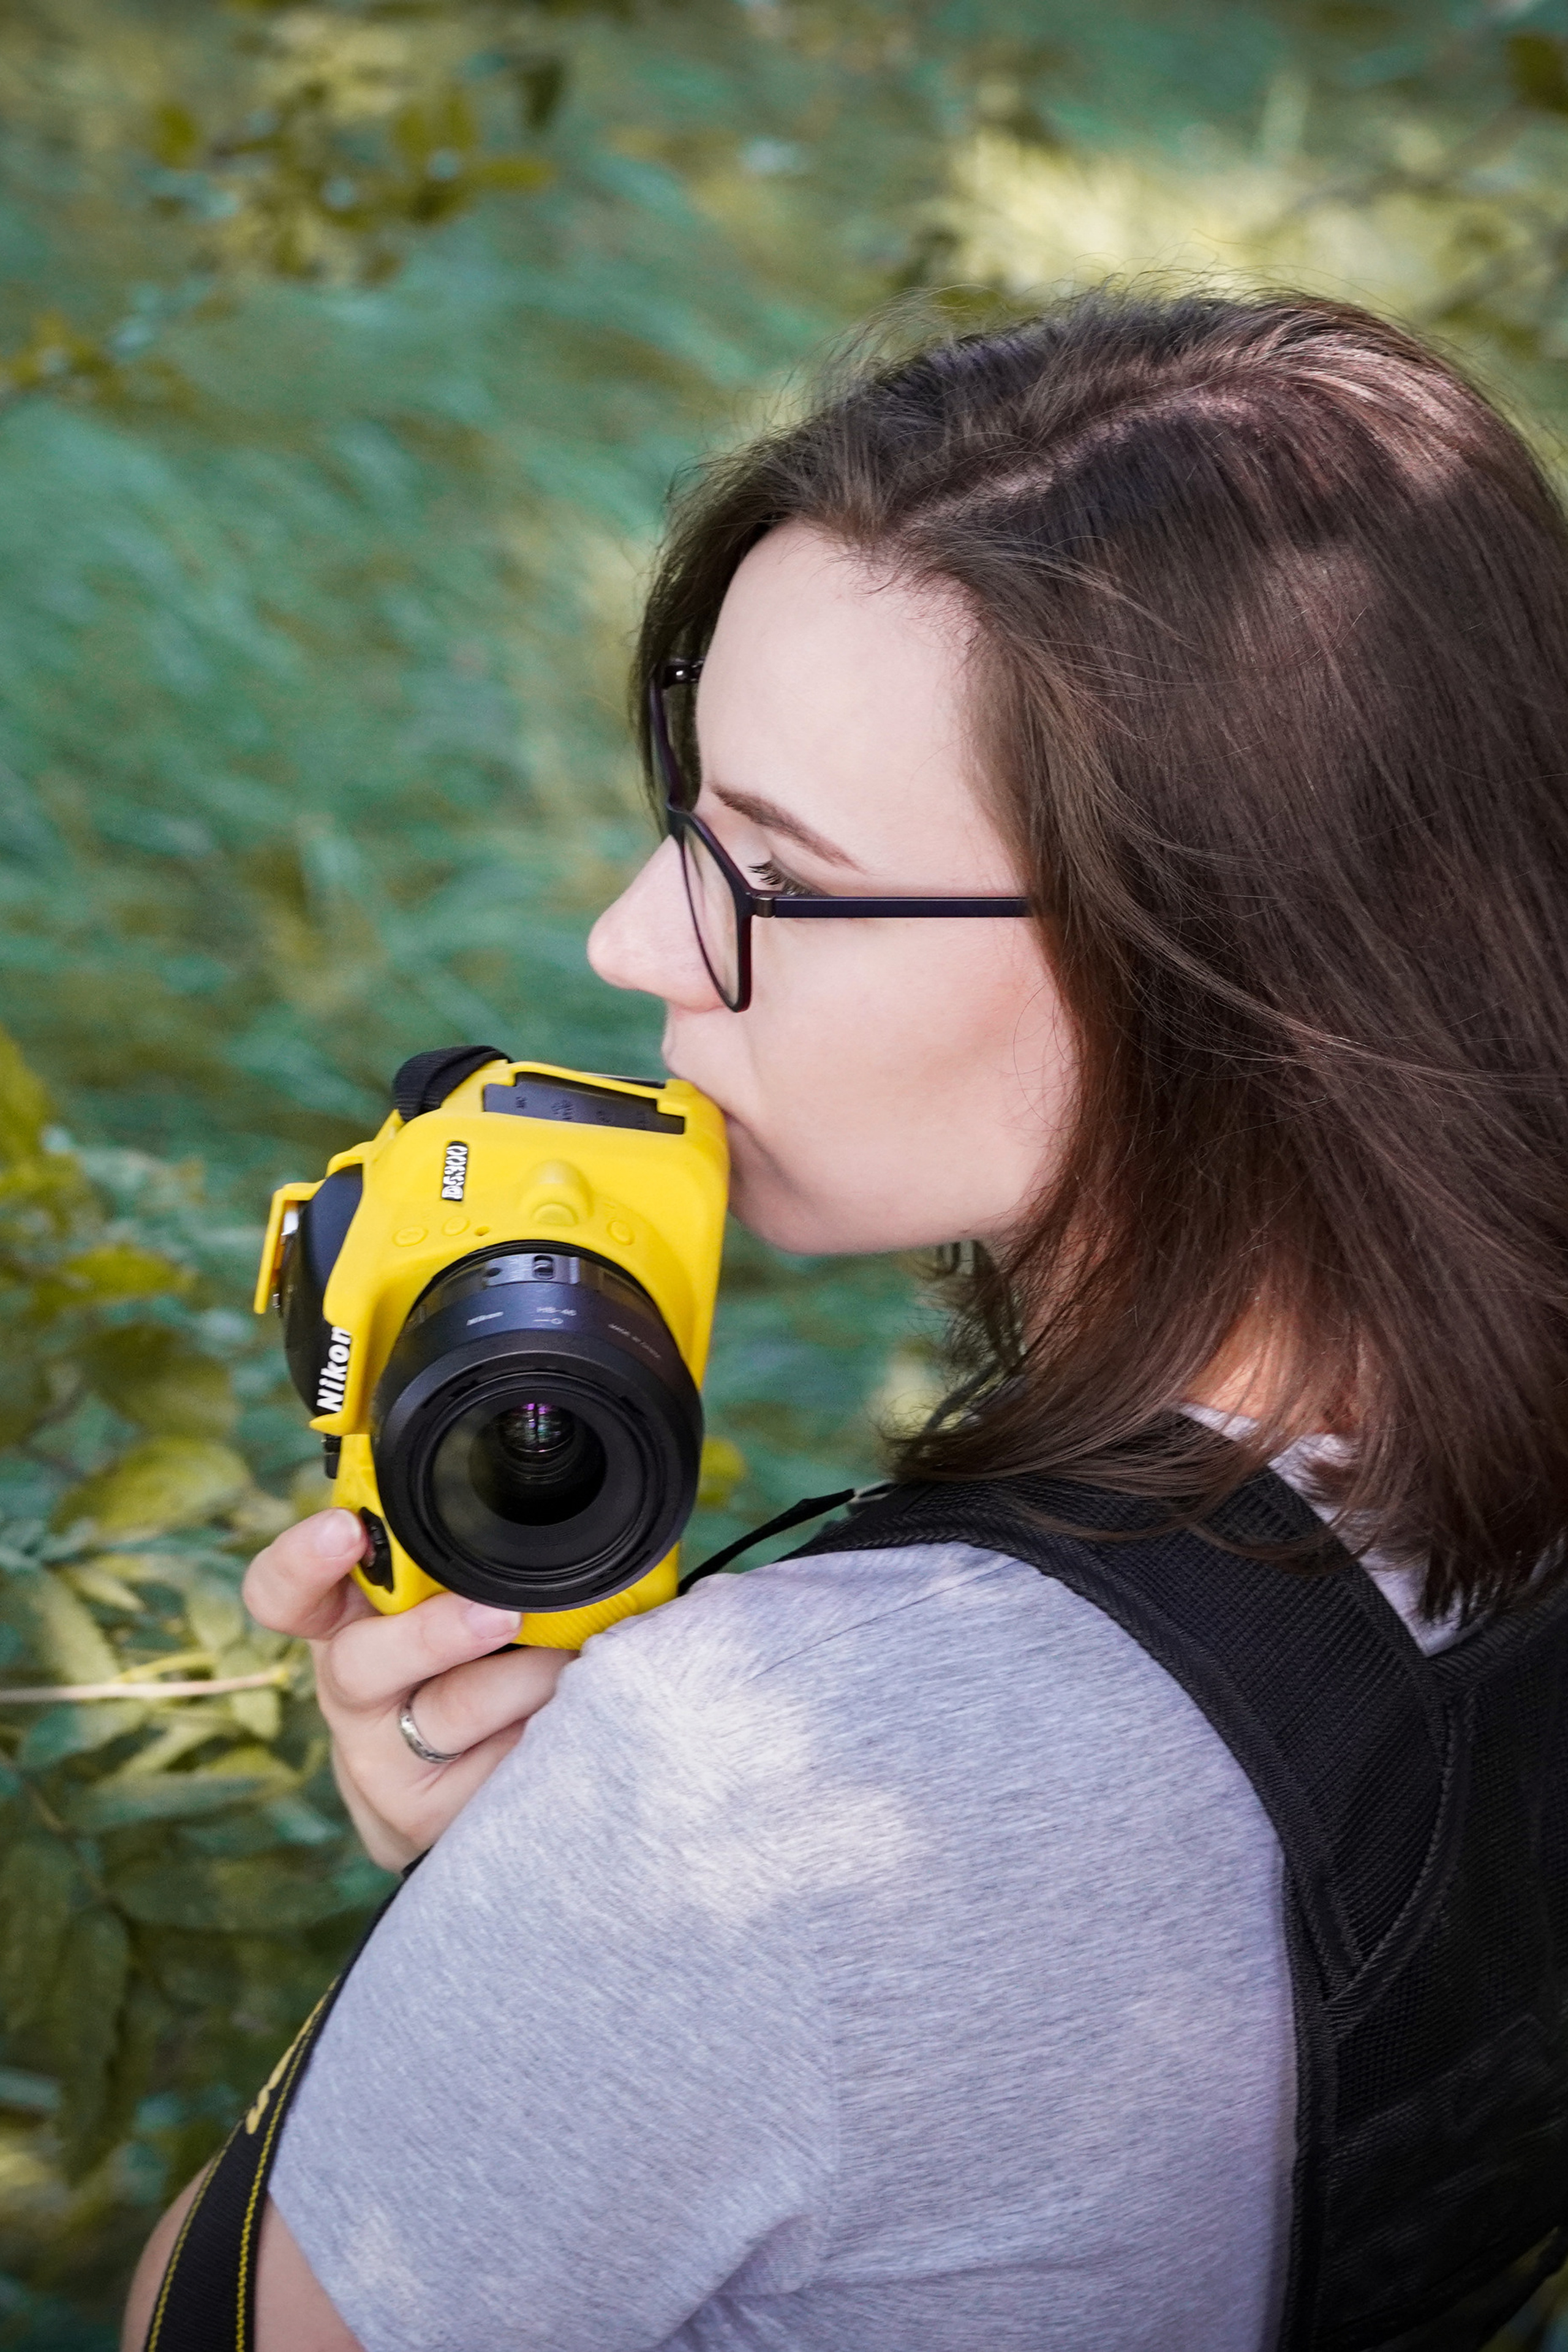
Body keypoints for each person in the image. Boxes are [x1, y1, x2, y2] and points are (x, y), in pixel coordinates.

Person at [123, 288, 1568, 2352]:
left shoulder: (770, 1798)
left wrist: (536, 1927)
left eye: (780, 878)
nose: (631, 937)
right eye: (689, 814)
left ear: (1220, 955)